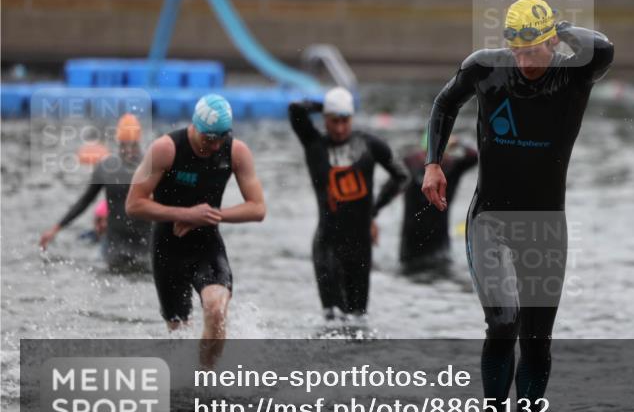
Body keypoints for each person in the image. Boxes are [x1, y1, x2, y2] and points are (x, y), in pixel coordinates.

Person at [422, 0, 613, 412]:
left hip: (546, 226)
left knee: (537, 340)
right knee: (503, 321)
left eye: (534, 49)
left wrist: (558, 26)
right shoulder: (486, 68)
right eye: (517, 51)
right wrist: (433, 163)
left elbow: (605, 47)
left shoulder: (574, 76)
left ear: (551, 42)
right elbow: (445, 102)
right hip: (489, 220)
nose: (525, 61)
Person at [126, 95, 265, 368]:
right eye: (209, 138)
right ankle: (187, 379)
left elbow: (258, 208)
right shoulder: (166, 149)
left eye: (221, 138)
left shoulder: (236, 151)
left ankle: (207, 379)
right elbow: (134, 204)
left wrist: (212, 216)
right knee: (179, 332)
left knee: (216, 310)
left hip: (206, 245)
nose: (215, 146)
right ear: (195, 126)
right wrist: (185, 214)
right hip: (168, 248)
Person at [288, 87, 409, 320]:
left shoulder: (370, 144)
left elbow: (402, 176)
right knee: (334, 318)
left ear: (352, 118)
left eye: (345, 120)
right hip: (327, 245)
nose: (340, 128)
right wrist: (326, 104)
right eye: (334, 121)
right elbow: (295, 109)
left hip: (361, 246)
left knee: (358, 320)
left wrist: (374, 211)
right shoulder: (314, 143)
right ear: (325, 119)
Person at [39, 113, 152, 272]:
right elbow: (85, 200)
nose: (128, 150)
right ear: (118, 142)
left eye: (132, 145)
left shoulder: (152, 166)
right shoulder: (105, 168)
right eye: (124, 145)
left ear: (138, 142)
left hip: (145, 244)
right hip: (114, 245)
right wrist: (56, 228)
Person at [399, 133, 477, 274]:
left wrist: (458, 141)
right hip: (412, 238)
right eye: (426, 155)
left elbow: (475, 156)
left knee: (439, 268)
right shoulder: (410, 163)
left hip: (437, 237)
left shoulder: (452, 166)